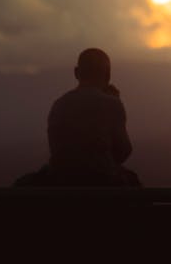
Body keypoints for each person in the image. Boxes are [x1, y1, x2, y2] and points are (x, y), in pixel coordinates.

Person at [45, 48, 141, 187]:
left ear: (76, 73)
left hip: (62, 182)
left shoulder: (59, 104)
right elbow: (124, 151)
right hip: (102, 183)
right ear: (108, 75)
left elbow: (57, 150)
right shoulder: (112, 104)